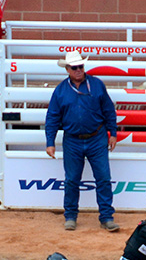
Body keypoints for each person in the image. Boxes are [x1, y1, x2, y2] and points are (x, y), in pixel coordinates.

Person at [44, 51, 119, 232]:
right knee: (71, 180)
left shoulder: (97, 85)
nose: (78, 70)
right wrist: (50, 142)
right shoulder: (60, 91)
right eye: (74, 67)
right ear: (67, 69)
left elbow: (109, 110)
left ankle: (106, 216)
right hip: (72, 140)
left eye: (80, 66)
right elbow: (52, 117)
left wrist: (113, 133)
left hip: (97, 137)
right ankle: (70, 216)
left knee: (103, 178)